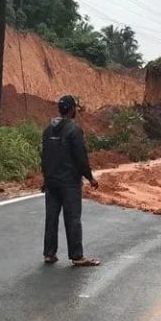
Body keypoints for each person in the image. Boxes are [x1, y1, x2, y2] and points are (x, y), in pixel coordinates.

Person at [41, 95, 100, 266]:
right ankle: (76, 256)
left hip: (51, 182)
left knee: (51, 218)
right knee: (72, 218)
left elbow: (44, 157)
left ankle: (49, 253)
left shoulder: (47, 131)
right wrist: (90, 178)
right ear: (72, 109)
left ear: (60, 109)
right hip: (69, 183)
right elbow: (81, 158)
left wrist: (46, 178)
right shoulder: (74, 130)